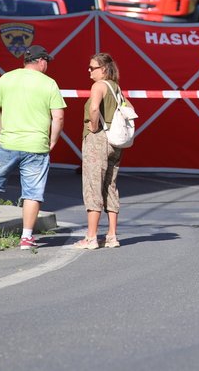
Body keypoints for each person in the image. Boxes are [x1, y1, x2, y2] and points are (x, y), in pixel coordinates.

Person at [0, 44, 66, 250]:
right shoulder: (49, 84)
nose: (47, 65)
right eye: (46, 61)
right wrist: (53, 139)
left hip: (9, 142)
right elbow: (58, 116)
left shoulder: (7, 78)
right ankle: (27, 238)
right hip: (36, 145)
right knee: (32, 192)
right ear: (41, 62)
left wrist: (0, 131)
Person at [73, 52, 124, 249]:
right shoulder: (116, 87)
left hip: (98, 139)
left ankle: (91, 237)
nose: (89, 71)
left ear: (103, 69)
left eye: (92, 68)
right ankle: (112, 236)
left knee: (93, 186)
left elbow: (94, 108)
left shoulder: (98, 86)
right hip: (115, 140)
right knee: (110, 185)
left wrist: (93, 127)